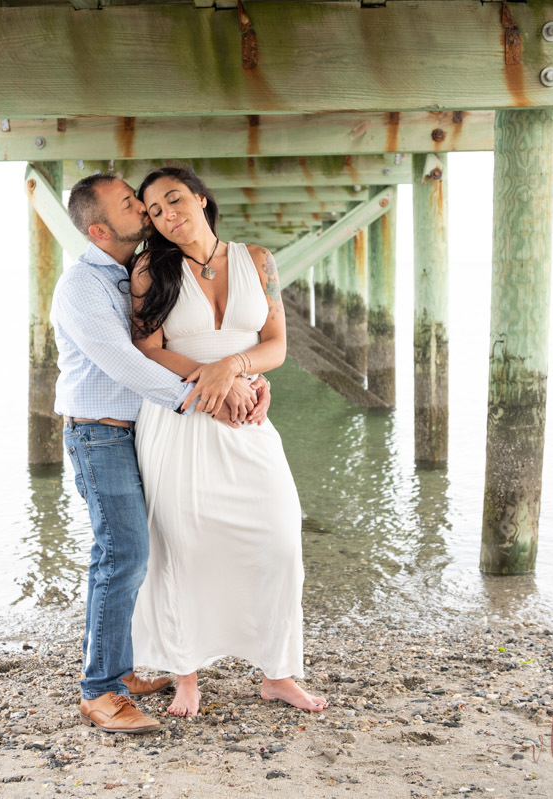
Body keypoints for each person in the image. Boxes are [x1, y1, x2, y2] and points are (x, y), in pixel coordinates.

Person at [51, 173, 273, 734]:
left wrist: (239, 376)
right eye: (132, 204)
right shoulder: (82, 284)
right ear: (101, 230)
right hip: (100, 431)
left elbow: (188, 344)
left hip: (140, 428)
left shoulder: (134, 273)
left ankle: (121, 671)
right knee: (122, 552)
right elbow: (125, 363)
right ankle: (99, 691)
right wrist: (203, 400)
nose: (146, 211)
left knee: (156, 546)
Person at [128, 165, 328, 717]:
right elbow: (147, 350)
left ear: (201, 197)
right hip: (182, 417)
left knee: (280, 539)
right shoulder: (150, 269)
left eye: (175, 200)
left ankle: (278, 673)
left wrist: (234, 369)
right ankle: (186, 673)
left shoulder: (258, 260)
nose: (169, 215)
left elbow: (277, 344)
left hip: (246, 418)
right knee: (182, 546)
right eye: (155, 211)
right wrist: (217, 379)